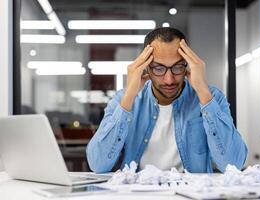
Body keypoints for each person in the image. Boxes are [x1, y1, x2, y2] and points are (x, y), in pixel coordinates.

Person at [86, 27, 247, 173]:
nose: (169, 79)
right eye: (159, 68)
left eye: (177, 67)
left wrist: (202, 91)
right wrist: (129, 95)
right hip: (138, 193)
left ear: (188, 65)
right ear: (147, 68)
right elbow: (98, 164)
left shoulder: (210, 97)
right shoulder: (124, 99)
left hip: (191, 194)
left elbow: (233, 164)